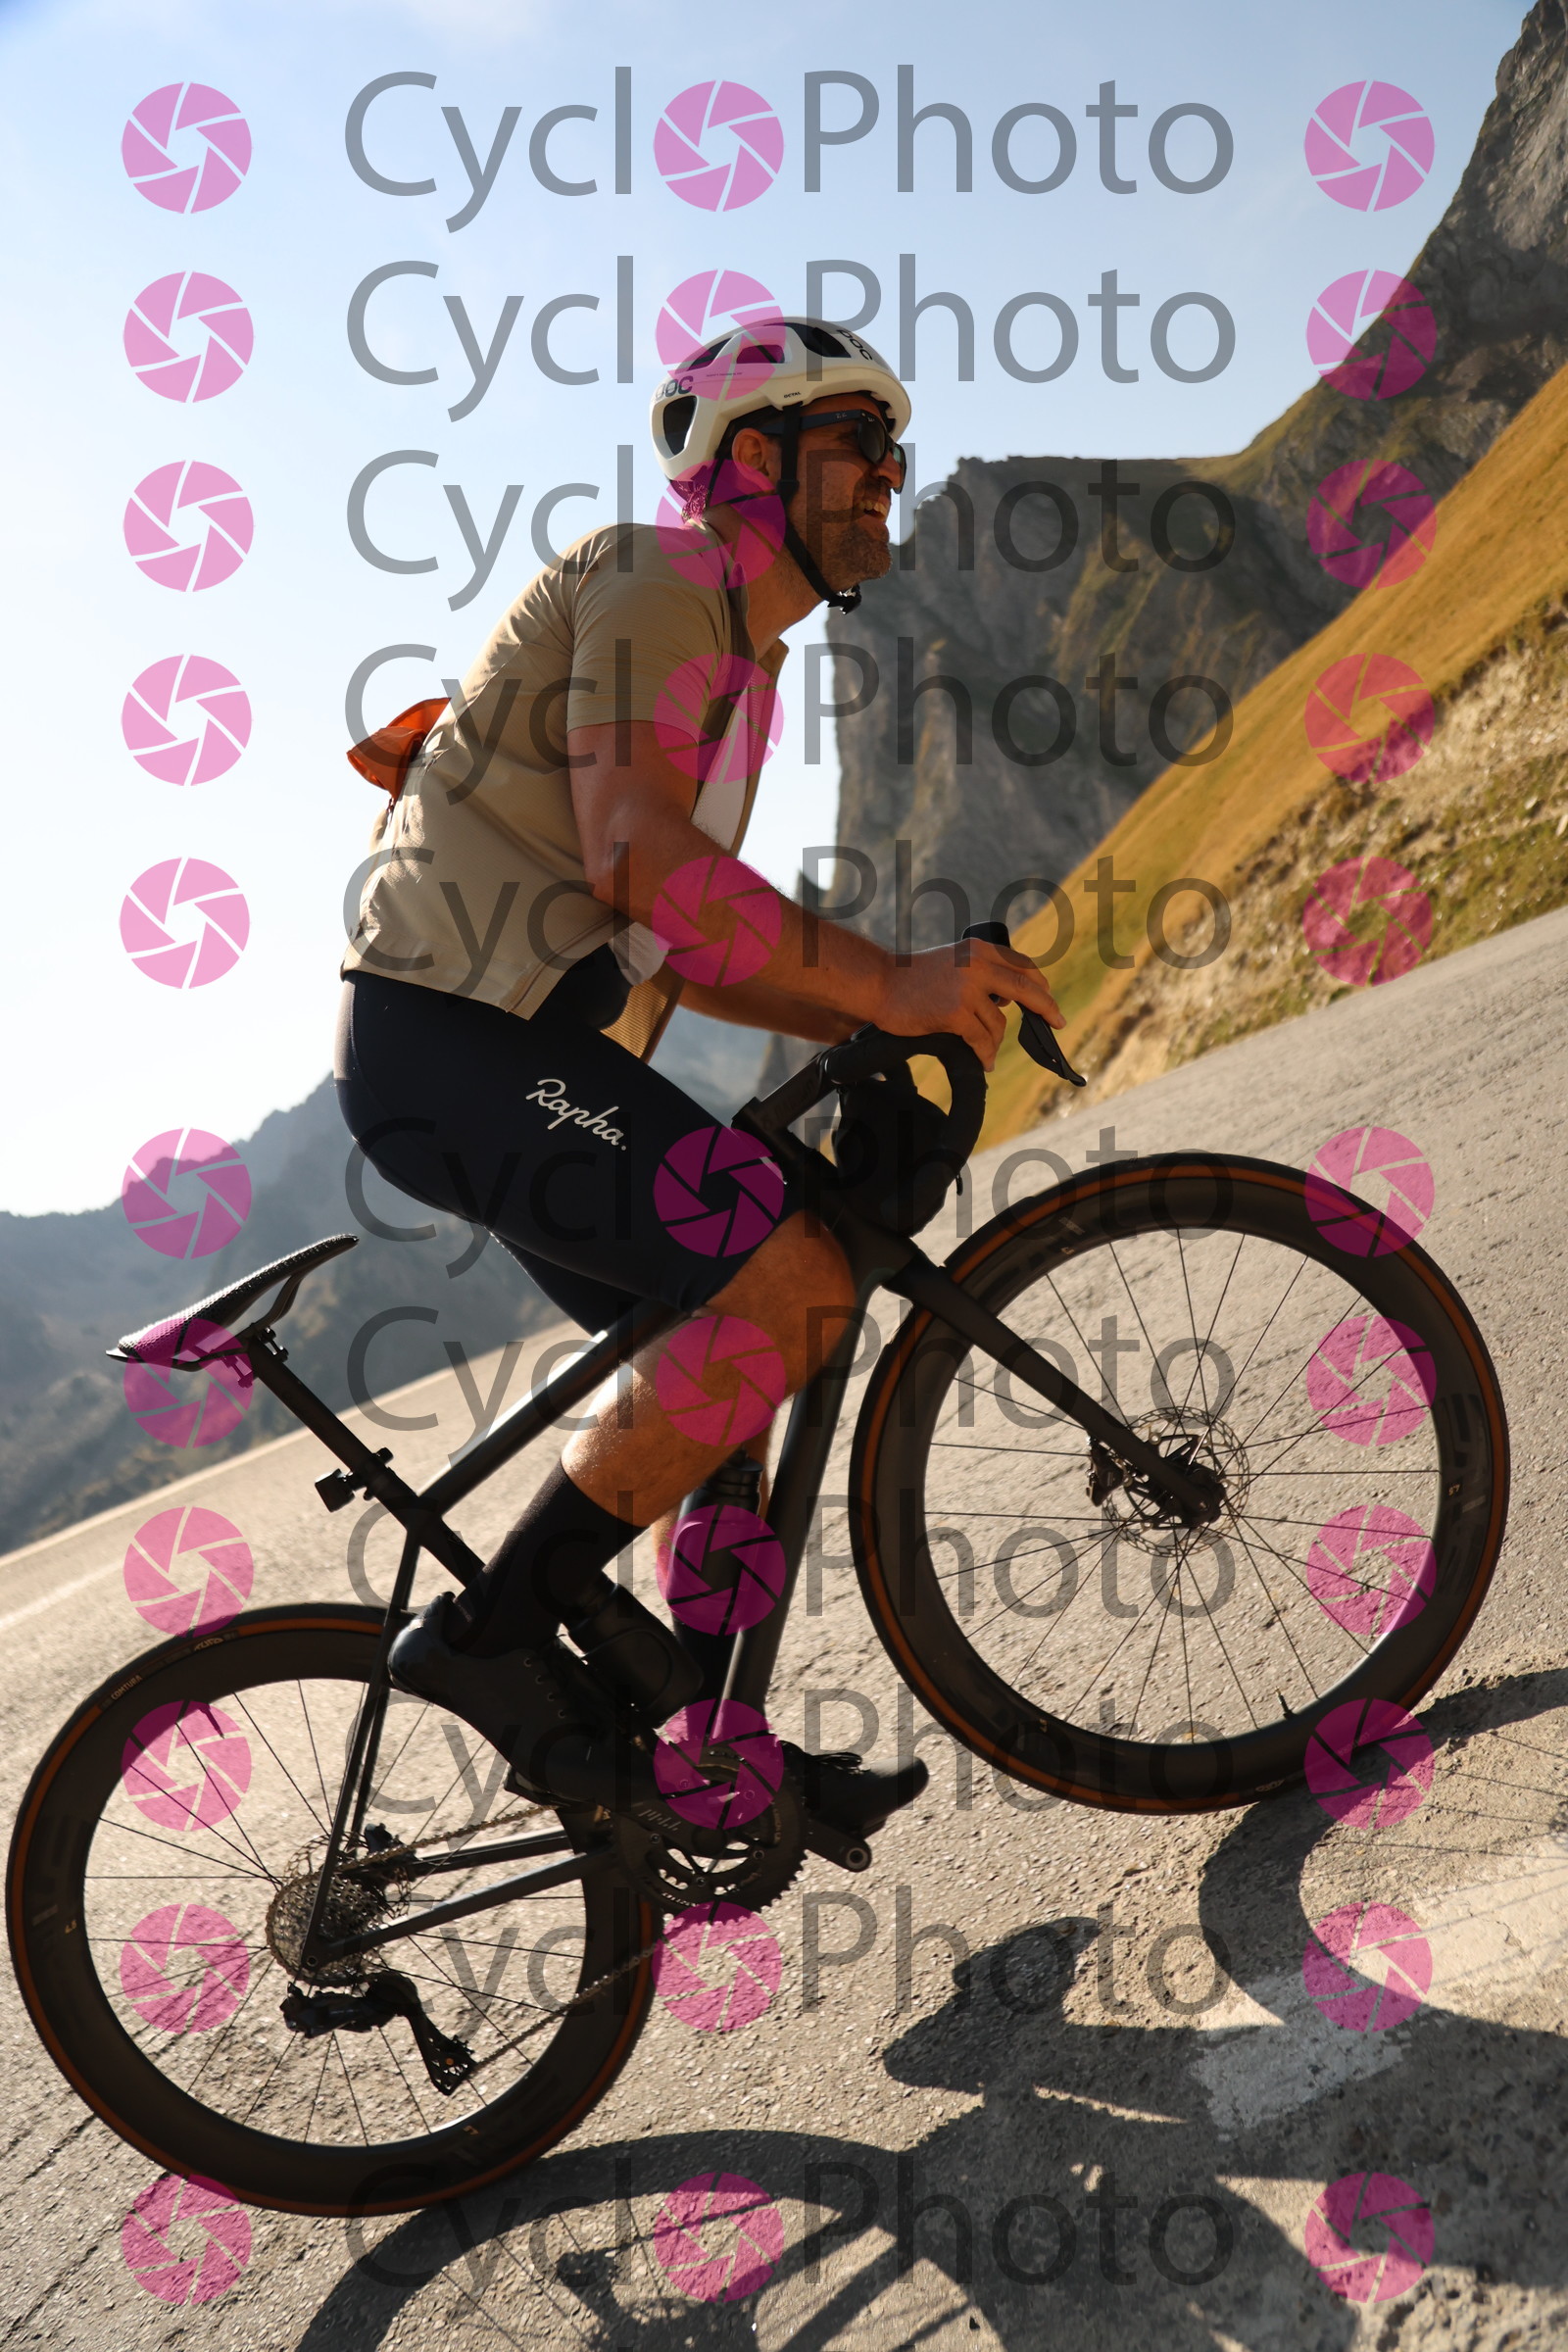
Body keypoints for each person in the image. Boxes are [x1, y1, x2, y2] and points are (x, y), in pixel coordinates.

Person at [334, 318, 1063, 1836]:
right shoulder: (661, 580)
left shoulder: (743, 664)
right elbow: (638, 858)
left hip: (513, 1053)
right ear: (750, 459)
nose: (887, 475)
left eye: (894, 451)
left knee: (737, 1350)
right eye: (855, 441)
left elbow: (689, 941)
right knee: (784, 1282)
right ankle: (489, 1644)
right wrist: (893, 984)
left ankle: (707, 1753)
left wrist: (871, 1021)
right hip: (458, 1039)